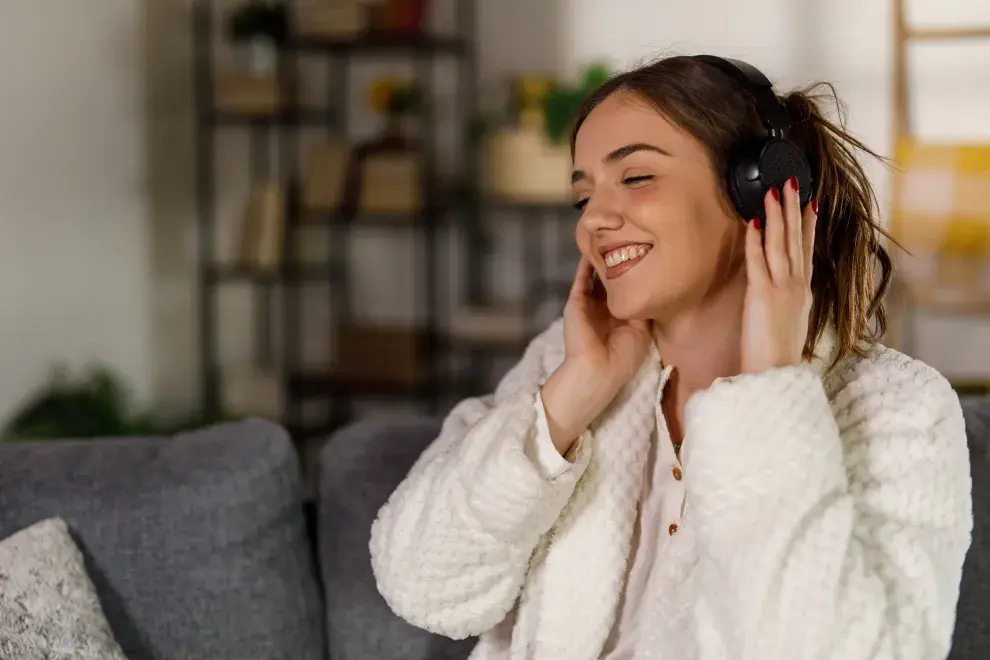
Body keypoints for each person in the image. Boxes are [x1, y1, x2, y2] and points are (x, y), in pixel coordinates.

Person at [369, 54, 973, 660]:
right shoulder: (565, 363)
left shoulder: (898, 410)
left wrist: (772, 390)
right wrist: (573, 394)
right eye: (584, 198)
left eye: (635, 178)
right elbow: (423, 587)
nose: (595, 223)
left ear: (760, 191)